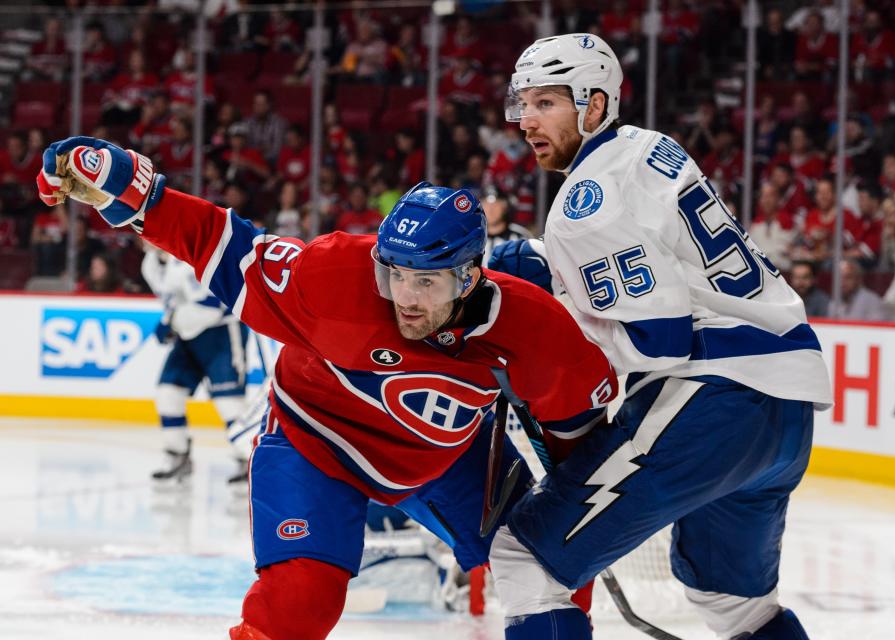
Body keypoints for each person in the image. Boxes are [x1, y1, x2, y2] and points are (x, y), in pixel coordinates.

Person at [36, 137, 617, 640]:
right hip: (316, 439)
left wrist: (570, 538)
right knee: (300, 600)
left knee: (554, 559)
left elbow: (579, 458)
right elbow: (223, 241)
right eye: (394, 273)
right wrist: (139, 197)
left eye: (426, 281)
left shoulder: (538, 333)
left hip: (447, 452)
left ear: (469, 276)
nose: (405, 298)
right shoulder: (335, 276)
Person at [489, 33, 831, 639]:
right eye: (523, 103)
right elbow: (662, 258)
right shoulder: (652, 148)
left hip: (716, 402)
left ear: (593, 106)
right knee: (735, 603)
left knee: (528, 559)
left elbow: (662, 340)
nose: (527, 121)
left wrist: (562, 334)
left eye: (546, 102)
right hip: (787, 406)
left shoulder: (581, 203)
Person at [140, 241, 252, 486]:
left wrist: (173, 322)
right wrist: (170, 320)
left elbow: (213, 305)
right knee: (168, 393)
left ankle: (250, 461)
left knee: (229, 403)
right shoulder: (149, 264)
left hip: (220, 334)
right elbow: (174, 303)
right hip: (188, 336)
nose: (143, 236)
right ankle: (177, 455)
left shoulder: (188, 255)